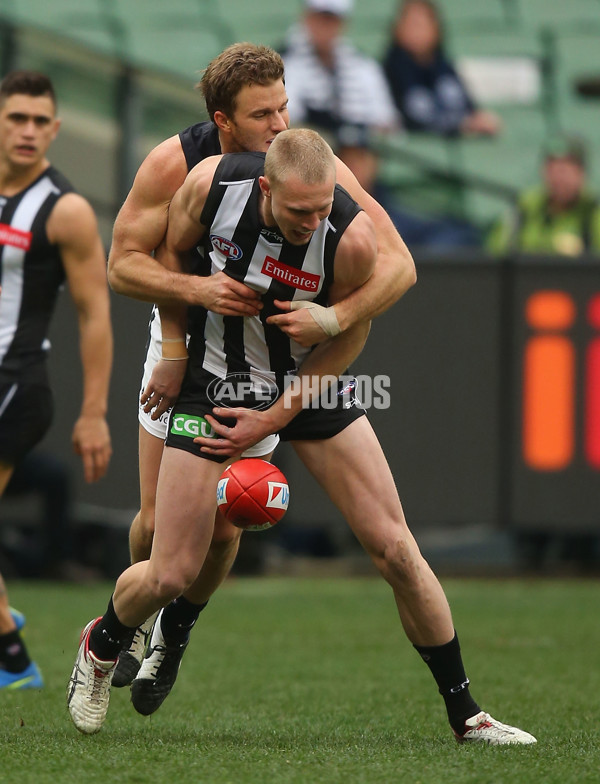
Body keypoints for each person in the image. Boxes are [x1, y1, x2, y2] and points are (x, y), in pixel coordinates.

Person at [68, 129, 535, 747]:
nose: (313, 222)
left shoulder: (350, 237)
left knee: (397, 549)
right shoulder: (209, 188)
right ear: (265, 187)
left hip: (307, 381)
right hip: (210, 383)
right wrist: (177, 348)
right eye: (298, 211)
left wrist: (293, 387)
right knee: (169, 571)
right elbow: (169, 261)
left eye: (322, 208)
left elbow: (352, 335)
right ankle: (100, 648)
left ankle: (467, 714)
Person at [106, 42, 416, 690]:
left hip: (281, 358)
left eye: (284, 108)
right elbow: (127, 264)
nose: (280, 127)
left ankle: (175, 635)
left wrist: (333, 320)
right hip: (187, 338)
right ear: (223, 121)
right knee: (162, 528)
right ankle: (133, 623)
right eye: (261, 116)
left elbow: (397, 264)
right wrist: (178, 339)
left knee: (224, 527)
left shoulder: (307, 166)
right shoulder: (178, 165)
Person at [0, 71, 112, 689]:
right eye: (17, 117)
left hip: (17, 384)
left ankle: (14, 659)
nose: (28, 131)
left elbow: (95, 314)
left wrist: (93, 411)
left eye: (41, 121)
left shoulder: (65, 209)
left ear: (57, 129)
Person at [280, 0, 398, 195]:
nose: (325, 27)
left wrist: (359, 139)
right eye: (320, 18)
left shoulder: (364, 66)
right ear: (307, 18)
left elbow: (387, 122)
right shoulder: (285, 63)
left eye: (331, 19)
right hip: (312, 163)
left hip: (363, 156)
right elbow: (287, 122)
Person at [382, 0, 501, 137]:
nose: (416, 32)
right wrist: (460, 126)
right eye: (410, 24)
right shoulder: (388, 72)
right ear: (397, 29)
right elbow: (408, 122)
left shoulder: (444, 68)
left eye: (421, 24)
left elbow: (469, 109)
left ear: (436, 29)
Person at [487, 133, 600, 256]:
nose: (559, 177)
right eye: (553, 168)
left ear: (582, 173)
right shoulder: (524, 207)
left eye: (566, 169)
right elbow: (496, 254)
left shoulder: (593, 212)